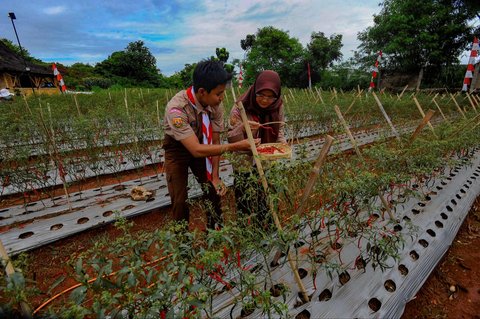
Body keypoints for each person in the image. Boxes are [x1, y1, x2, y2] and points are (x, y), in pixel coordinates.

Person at [163, 60, 258, 230]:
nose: (222, 98)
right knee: (179, 198)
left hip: (204, 144)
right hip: (177, 150)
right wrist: (236, 146)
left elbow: (214, 141)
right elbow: (196, 150)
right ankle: (183, 244)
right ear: (202, 91)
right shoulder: (176, 109)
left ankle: (215, 230)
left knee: (212, 189)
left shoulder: (215, 106)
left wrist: (215, 176)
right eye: (218, 93)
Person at [227, 70, 286, 227]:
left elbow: (279, 129)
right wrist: (243, 128)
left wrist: (282, 145)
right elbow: (231, 136)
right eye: (261, 95)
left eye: (270, 96)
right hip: (243, 158)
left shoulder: (278, 106)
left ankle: (265, 225)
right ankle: (244, 228)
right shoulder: (240, 107)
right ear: (255, 90)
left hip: (266, 154)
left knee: (265, 192)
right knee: (244, 192)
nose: (265, 100)